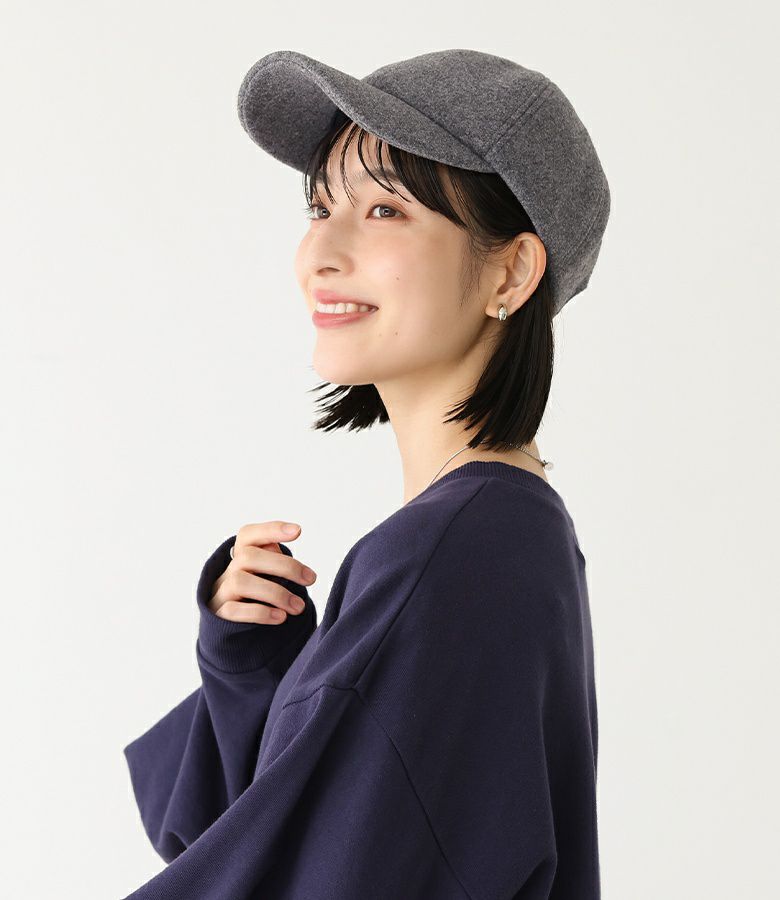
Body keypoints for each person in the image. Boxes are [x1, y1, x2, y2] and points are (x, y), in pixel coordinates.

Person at [122, 49, 610, 899]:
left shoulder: (453, 558)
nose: (319, 252)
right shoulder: (504, 540)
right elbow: (314, 842)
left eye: (385, 208)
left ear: (510, 270)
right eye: (320, 206)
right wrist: (259, 667)